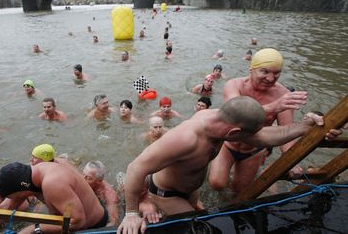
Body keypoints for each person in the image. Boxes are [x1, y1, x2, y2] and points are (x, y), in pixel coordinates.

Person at [117, 96, 341, 234]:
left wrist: (305, 127)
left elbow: (266, 136)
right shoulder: (186, 138)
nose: (254, 139)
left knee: (201, 211)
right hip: (168, 193)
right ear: (234, 133)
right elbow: (136, 168)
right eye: (247, 136)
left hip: (191, 189)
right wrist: (131, 213)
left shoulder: (223, 121)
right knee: (199, 229)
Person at [208, 48, 309, 194]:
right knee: (216, 184)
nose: (270, 78)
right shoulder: (234, 85)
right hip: (227, 144)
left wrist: (292, 161)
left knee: (239, 191)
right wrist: (274, 106)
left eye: (276, 73)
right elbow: (237, 115)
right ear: (252, 69)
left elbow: (287, 131)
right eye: (265, 71)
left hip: (254, 150)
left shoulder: (284, 95)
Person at [0, 162, 109, 233]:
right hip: (71, 219)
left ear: (21, 190)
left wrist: (33, 229)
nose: (12, 199)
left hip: (93, 227)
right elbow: (6, 206)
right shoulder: (30, 175)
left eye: (12, 196)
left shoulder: (52, 183)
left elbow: (78, 221)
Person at [82, 161, 120, 227]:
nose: (82, 179)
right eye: (83, 174)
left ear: (99, 181)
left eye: (88, 178)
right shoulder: (83, 179)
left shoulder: (109, 195)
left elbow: (113, 222)